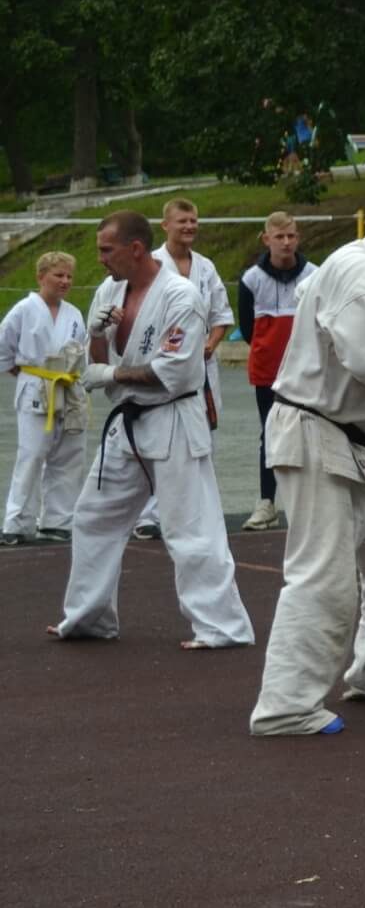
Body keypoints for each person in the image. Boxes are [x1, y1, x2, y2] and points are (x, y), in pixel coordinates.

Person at [248, 186, 365, 737]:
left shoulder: (363, 269)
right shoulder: (358, 273)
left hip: (350, 440)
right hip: (318, 435)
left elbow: (364, 340)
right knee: (323, 575)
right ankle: (285, 707)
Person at [46, 212, 254, 650]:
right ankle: (89, 617)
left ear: (136, 249)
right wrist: (97, 334)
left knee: (190, 528)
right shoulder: (110, 291)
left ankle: (222, 627)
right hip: (129, 424)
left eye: (107, 250)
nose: (100, 259)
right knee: (94, 516)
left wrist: (110, 374)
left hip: (173, 418)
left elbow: (170, 372)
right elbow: (98, 362)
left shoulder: (181, 297)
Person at [132, 198, 236, 541]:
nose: (190, 226)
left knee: (201, 438)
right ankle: (149, 515)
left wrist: (210, 344)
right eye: (182, 221)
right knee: (157, 438)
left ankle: (195, 512)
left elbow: (221, 315)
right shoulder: (152, 265)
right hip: (161, 365)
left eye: (193, 220)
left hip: (201, 368)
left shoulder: (205, 267)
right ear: (166, 225)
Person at [237, 212, 318, 531]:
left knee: (310, 433)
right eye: (279, 236)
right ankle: (266, 503)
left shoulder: (314, 275)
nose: (286, 242)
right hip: (267, 372)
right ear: (266, 239)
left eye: (291, 236)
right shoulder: (251, 279)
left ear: (298, 238)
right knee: (269, 434)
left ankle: (309, 503)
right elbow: (247, 329)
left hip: (306, 371)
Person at [1, 252, 88, 545]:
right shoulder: (24, 309)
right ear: (41, 277)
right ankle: (17, 523)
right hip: (35, 385)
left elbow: (81, 350)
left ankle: (57, 521)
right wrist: (26, 374)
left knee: (68, 456)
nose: (65, 281)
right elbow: (4, 347)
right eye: (58, 275)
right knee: (32, 454)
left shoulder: (74, 314)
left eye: (69, 276)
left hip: (67, 387)